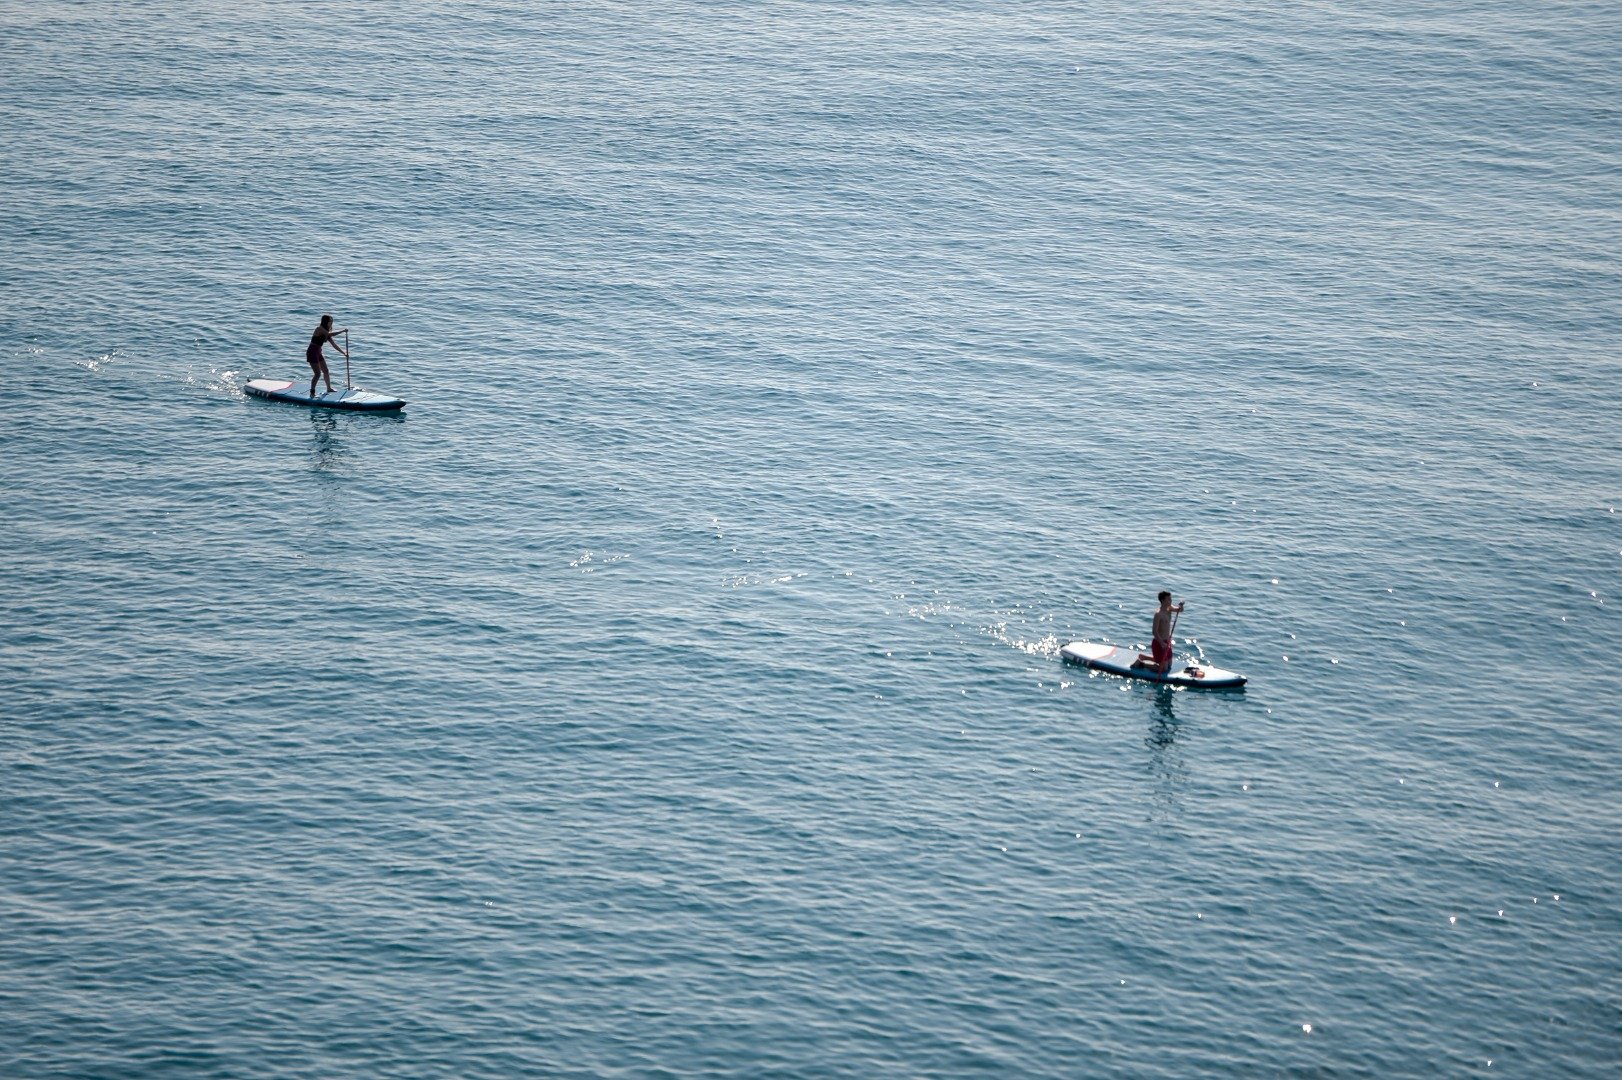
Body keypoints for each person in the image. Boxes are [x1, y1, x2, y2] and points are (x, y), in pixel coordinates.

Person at [1134, 591, 1184, 674]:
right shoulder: (1158, 614)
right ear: (1163, 600)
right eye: (1169, 599)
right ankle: (1141, 663)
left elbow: (1180, 610)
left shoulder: (1169, 608)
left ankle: (1143, 657)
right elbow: (1154, 632)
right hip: (1159, 643)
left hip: (1167, 642)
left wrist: (1181, 606)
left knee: (1169, 664)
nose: (1171, 601)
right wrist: (1161, 643)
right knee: (1164, 668)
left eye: (1170, 599)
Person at [306, 314, 348, 397]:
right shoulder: (319, 329)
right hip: (312, 352)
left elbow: (334, 345)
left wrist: (344, 353)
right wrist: (342, 331)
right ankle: (312, 393)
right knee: (317, 374)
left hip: (318, 352)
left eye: (332, 321)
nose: (331, 323)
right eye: (330, 321)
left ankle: (329, 388)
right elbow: (329, 334)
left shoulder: (326, 333)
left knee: (326, 370)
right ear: (325, 322)